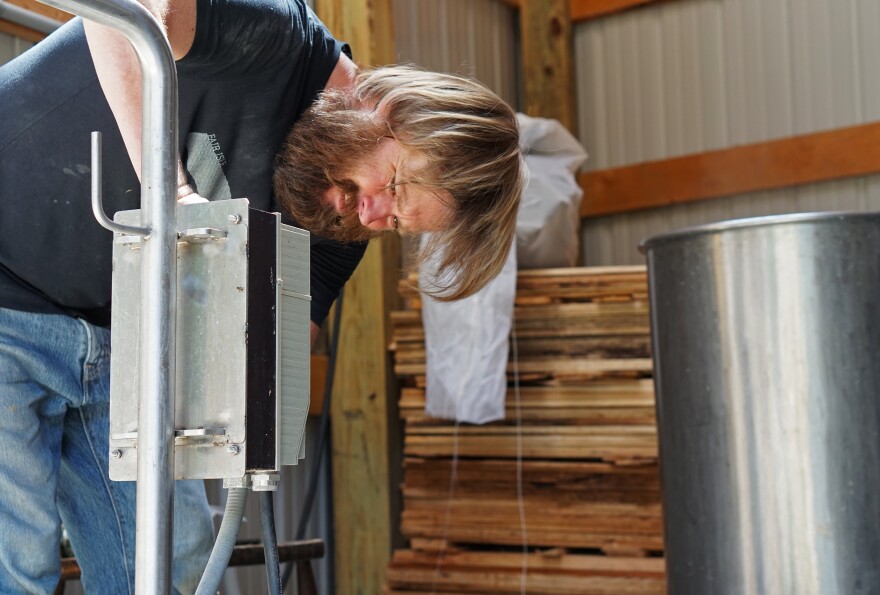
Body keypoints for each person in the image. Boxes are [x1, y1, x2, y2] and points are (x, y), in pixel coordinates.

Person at [0, 0, 523, 591]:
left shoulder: (345, 219)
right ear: (389, 111)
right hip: (5, 286)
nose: (372, 214)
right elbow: (117, 12)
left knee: (172, 561)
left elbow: (279, 344)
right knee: (17, 561)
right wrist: (167, 186)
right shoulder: (274, 34)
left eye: (398, 222)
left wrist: (253, 430)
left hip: (120, 337)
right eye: (396, 182)